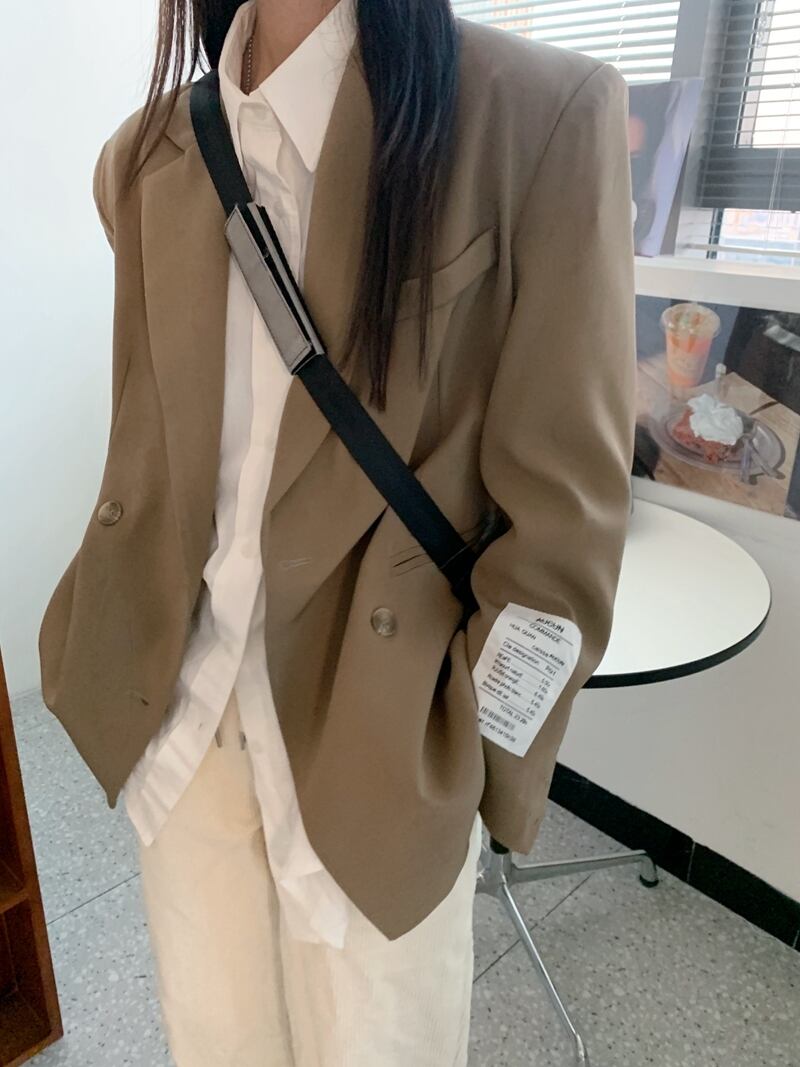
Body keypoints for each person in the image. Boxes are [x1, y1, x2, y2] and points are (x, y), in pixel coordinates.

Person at [38, 0, 636, 1063]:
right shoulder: (143, 159)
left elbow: (561, 537)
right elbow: (151, 451)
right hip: (181, 733)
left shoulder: (535, 116)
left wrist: (468, 758)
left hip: (384, 749)